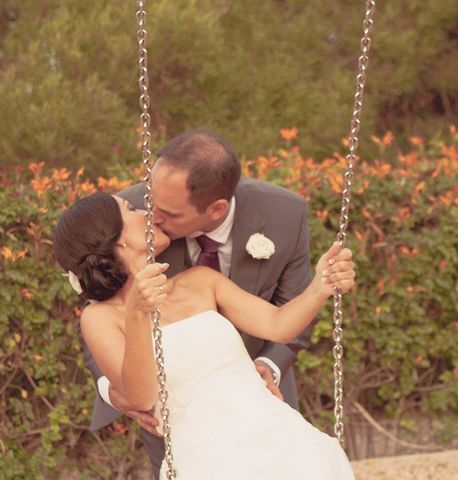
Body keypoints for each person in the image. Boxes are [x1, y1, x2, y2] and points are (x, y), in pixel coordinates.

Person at [54, 191, 356, 478]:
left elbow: (278, 325)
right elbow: (143, 396)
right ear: (116, 240)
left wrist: (320, 286)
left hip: (282, 436)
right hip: (208, 459)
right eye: (131, 210)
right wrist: (137, 312)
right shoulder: (100, 318)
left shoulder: (200, 281)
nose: (148, 213)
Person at [83, 130, 318, 477]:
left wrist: (270, 365)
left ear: (216, 209)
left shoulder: (285, 214)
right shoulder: (123, 219)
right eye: (147, 203)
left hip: (262, 408)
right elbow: (100, 321)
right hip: (177, 422)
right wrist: (116, 391)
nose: (152, 217)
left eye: (168, 213)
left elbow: (291, 308)